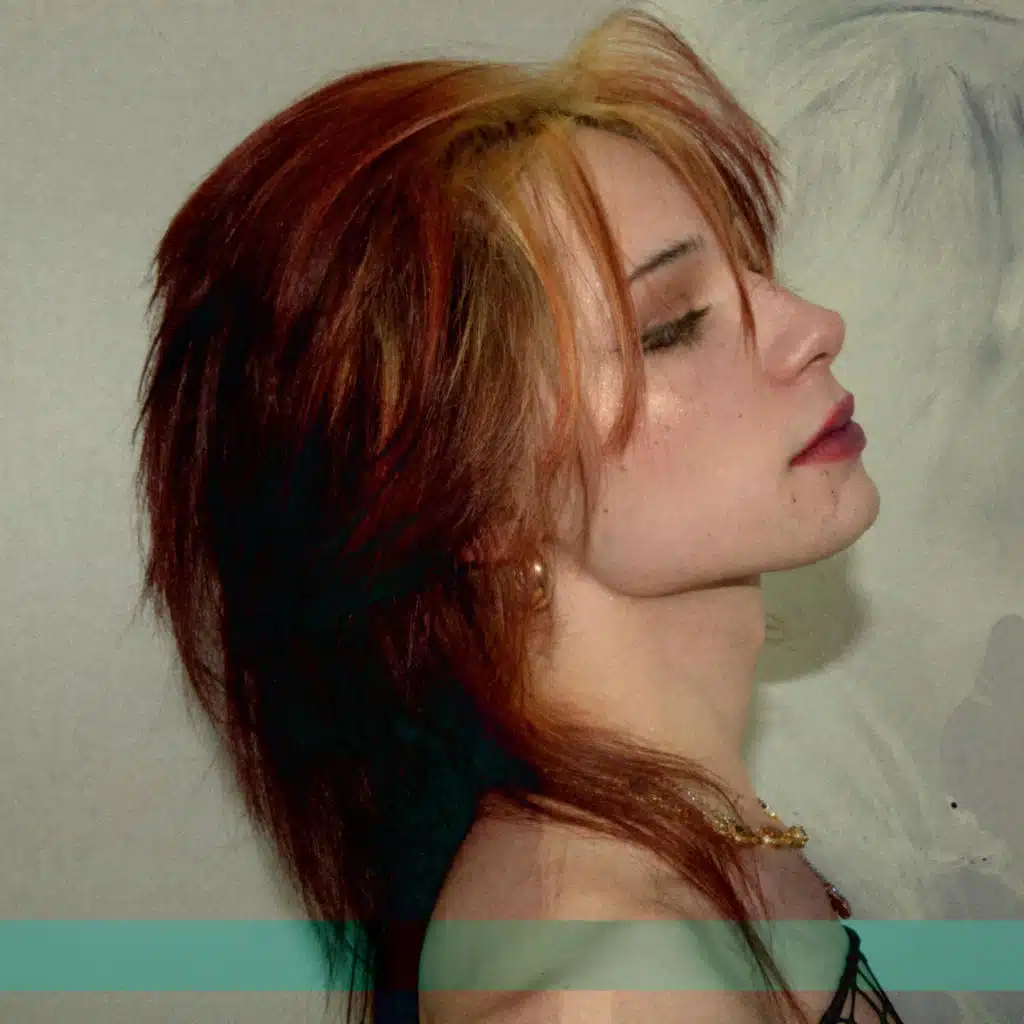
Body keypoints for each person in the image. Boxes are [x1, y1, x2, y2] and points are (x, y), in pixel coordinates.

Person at [133, 5, 900, 1022]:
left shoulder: (679, 833)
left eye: (756, 274)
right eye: (672, 325)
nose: (814, 328)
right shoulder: (608, 986)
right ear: (473, 502)